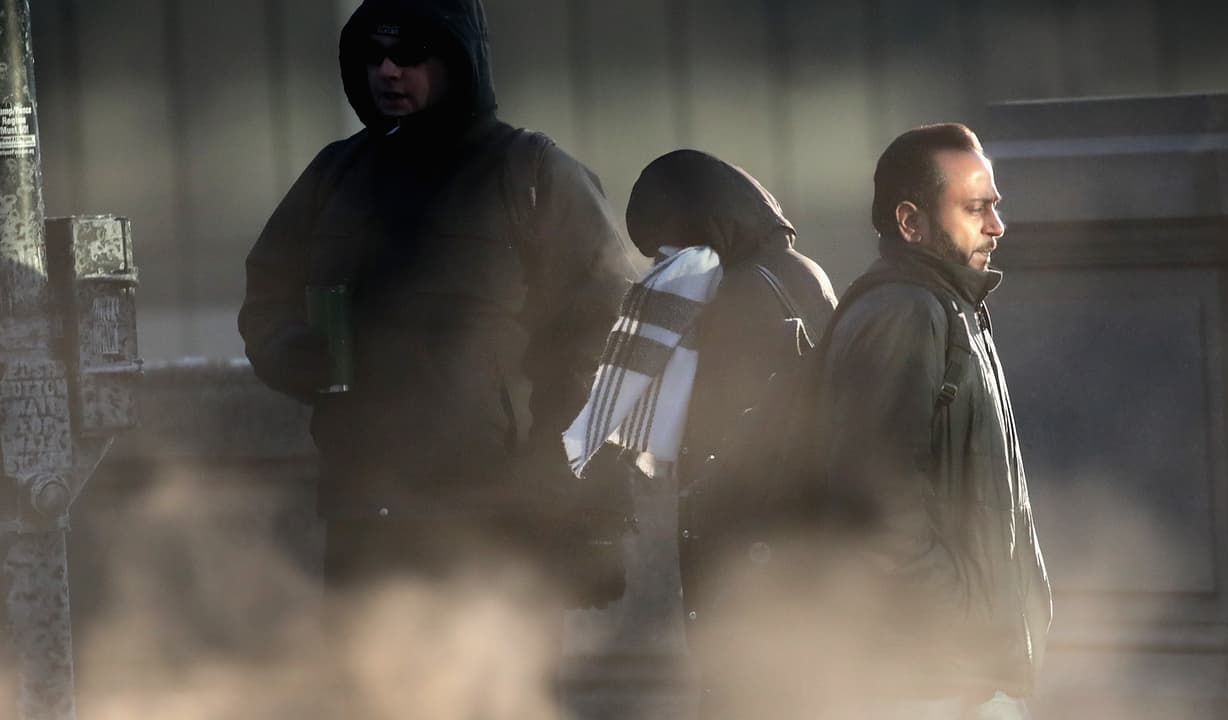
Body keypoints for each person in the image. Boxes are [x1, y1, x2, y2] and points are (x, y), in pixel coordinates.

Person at [238, 0, 635, 617]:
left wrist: (570, 489)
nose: (388, 71)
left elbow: (602, 328)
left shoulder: (531, 172)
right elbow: (268, 293)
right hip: (366, 507)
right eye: (373, 56)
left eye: (410, 55)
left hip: (496, 508)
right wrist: (293, 351)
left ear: (458, 60)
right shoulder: (337, 174)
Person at [561, 149, 837, 720]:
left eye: (667, 245)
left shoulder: (733, 293)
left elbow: (716, 433)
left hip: (748, 543)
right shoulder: (801, 271)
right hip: (803, 537)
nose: (664, 263)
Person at [811, 123, 1052, 719]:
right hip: (932, 683)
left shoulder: (954, 308)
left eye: (994, 207)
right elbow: (874, 501)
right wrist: (961, 629)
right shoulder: (904, 313)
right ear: (910, 222)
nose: (997, 226)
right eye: (976, 209)